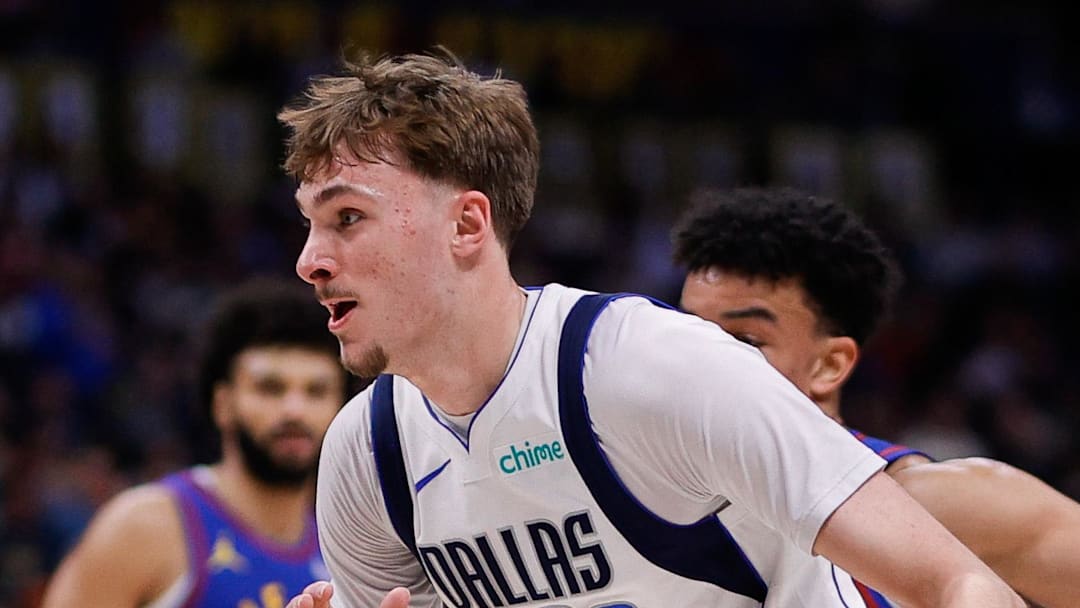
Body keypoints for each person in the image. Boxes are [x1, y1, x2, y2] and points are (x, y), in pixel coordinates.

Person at [279, 50, 1022, 608]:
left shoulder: (646, 369)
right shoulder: (366, 454)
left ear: (468, 224)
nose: (311, 261)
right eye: (310, 225)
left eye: (348, 218)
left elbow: (961, 584)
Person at [673, 186, 1080, 607]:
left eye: (743, 339)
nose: (703, 362)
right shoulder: (635, 491)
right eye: (684, 334)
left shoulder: (946, 504)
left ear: (829, 365)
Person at [42, 278, 350, 608]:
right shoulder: (144, 526)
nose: (294, 410)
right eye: (270, 388)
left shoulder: (352, 550)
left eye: (316, 391)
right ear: (223, 404)